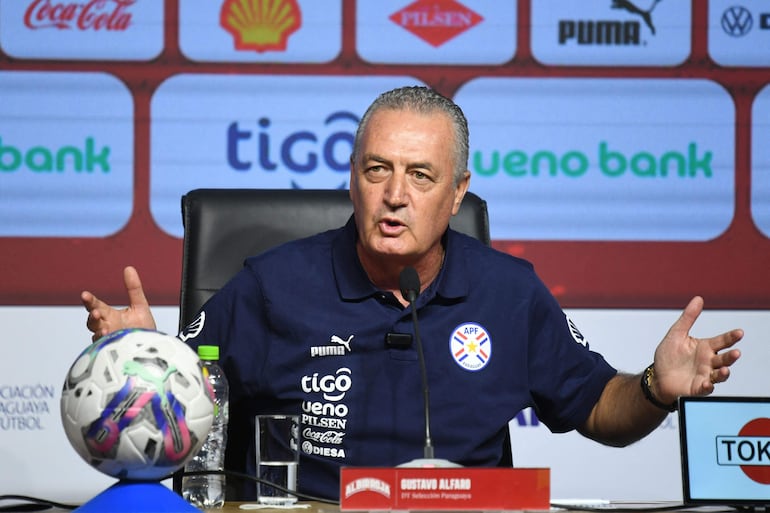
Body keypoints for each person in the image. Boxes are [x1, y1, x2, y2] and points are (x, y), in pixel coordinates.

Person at [81, 86, 743, 501]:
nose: (395, 194)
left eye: (421, 175)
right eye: (378, 170)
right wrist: (143, 358)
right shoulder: (271, 285)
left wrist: (656, 383)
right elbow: (182, 399)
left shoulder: (509, 292)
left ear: (458, 194)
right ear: (353, 180)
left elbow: (599, 405)